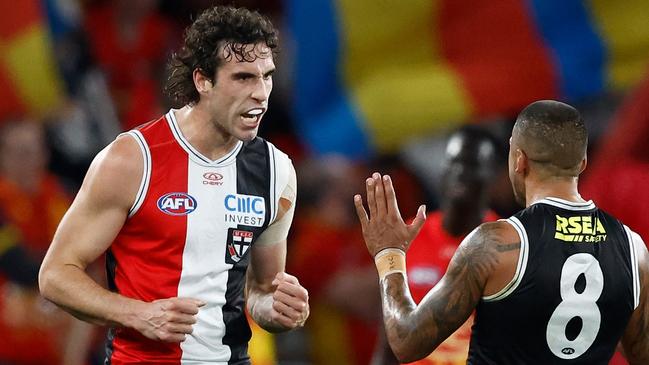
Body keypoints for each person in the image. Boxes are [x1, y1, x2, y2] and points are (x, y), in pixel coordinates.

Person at [39, 6, 309, 364]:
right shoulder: (132, 160)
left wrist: (276, 309)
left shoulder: (277, 171)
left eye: (267, 76)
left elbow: (261, 291)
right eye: (243, 78)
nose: (261, 93)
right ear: (203, 81)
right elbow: (55, 275)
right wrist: (139, 314)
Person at [354, 100, 649, 364]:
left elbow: (406, 342)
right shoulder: (632, 248)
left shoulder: (496, 244)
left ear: (518, 160)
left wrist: (389, 254)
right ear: (582, 163)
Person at [373, 126, 500, 365]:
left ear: (493, 174)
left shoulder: (507, 243)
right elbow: (388, 334)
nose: (460, 172)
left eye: (472, 165)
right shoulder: (408, 235)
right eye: (453, 162)